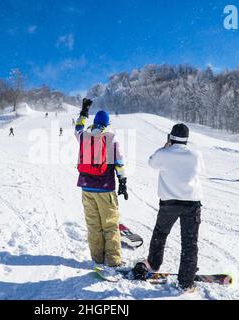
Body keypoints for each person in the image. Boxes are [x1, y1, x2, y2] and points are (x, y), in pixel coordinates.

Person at [137, 123, 204, 292]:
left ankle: (153, 263)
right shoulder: (196, 155)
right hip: (192, 203)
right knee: (190, 242)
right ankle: (186, 282)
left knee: (161, 233)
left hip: (170, 204)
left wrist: (165, 147)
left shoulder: (164, 153)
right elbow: (200, 170)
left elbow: (151, 162)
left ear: (170, 137)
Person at [75, 98, 128, 267]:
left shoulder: (83, 136)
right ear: (107, 123)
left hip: (86, 187)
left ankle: (97, 258)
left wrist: (84, 112)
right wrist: (123, 182)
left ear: (95, 122)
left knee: (93, 225)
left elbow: (78, 127)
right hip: (105, 189)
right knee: (110, 225)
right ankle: (113, 261)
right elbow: (119, 162)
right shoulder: (111, 138)